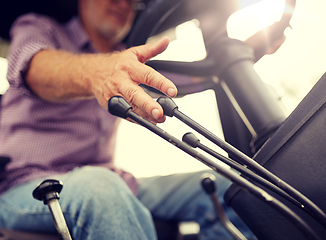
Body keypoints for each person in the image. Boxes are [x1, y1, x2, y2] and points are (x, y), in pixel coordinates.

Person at [0, 0, 274, 239]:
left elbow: (190, 77)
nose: (125, 4)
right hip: (27, 184)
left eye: (133, 1)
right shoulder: (40, 29)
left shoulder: (125, 57)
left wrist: (248, 49)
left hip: (113, 180)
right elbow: (32, 68)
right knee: (101, 189)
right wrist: (97, 72)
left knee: (236, 189)